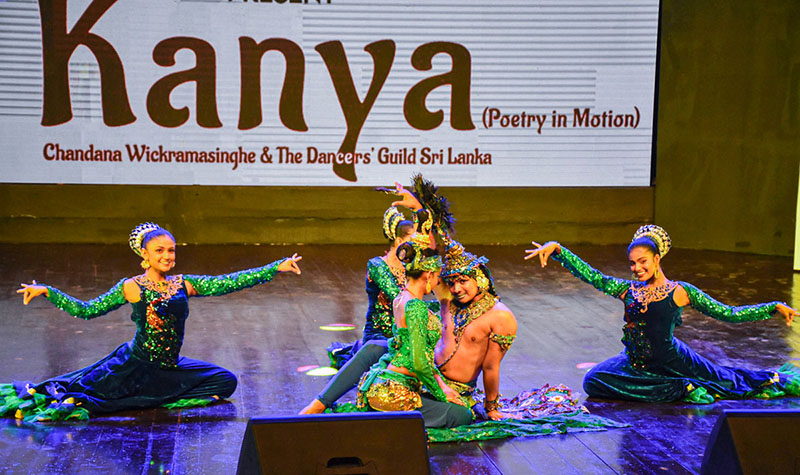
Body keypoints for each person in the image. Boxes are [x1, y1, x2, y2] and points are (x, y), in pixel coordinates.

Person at [2, 223, 302, 422]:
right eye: (159, 251)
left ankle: (154, 396)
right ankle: (136, 397)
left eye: (171, 250)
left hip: (170, 364)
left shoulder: (182, 283)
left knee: (225, 381)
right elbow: (87, 310)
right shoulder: (132, 287)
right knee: (89, 396)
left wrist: (275, 267)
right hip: (137, 365)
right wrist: (49, 292)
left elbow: (228, 282)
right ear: (144, 255)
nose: (167, 256)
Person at [525, 224, 800, 403]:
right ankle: (677, 388)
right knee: (593, 380)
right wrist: (559, 250)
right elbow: (593, 276)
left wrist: (772, 307)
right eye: (632, 263)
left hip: (672, 360)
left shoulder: (680, 292)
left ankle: (683, 385)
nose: (636, 268)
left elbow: (728, 313)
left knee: (729, 381)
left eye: (642, 261)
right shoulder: (627, 289)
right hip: (634, 362)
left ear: (657, 259)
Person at [299, 207, 413, 414]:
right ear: (399, 241)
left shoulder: (414, 267)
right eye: (414, 240)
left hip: (405, 332)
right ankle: (321, 402)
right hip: (380, 334)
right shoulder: (378, 265)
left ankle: (352, 352)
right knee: (375, 353)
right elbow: (400, 299)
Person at [356, 235, 473, 428]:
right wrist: (442, 393)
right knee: (462, 415)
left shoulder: (400, 299)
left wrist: (443, 386)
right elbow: (420, 364)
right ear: (428, 275)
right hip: (395, 392)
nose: (437, 283)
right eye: (437, 276)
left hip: (386, 384)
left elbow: (406, 350)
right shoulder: (416, 307)